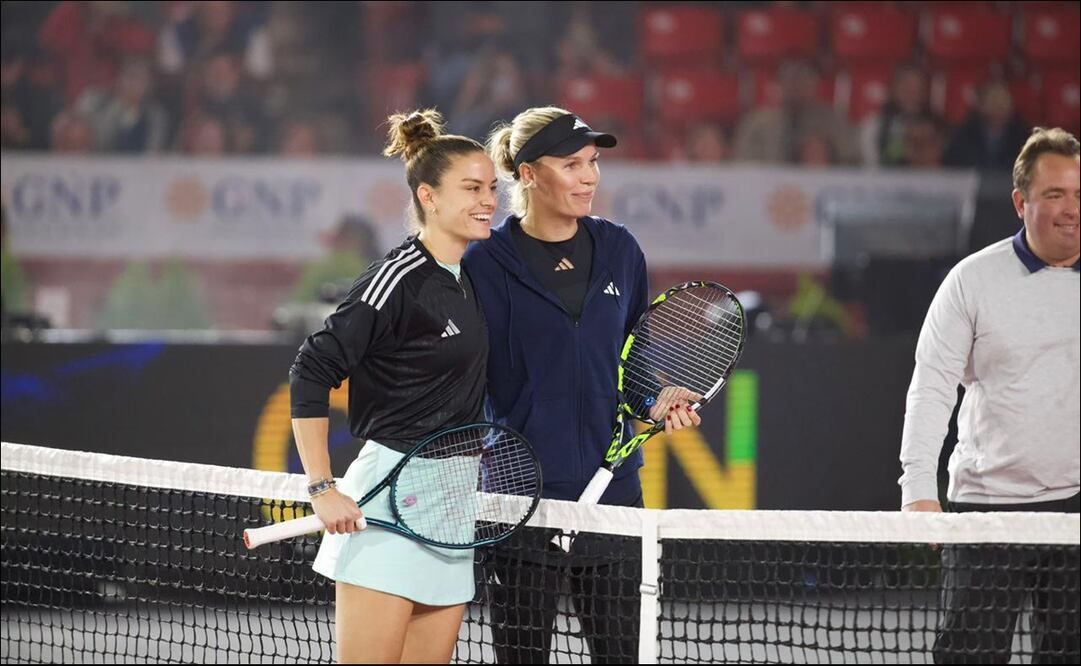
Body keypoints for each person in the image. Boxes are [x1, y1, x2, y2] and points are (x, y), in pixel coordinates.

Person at [463, 107, 701, 663]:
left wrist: (657, 400)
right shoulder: (483, 264)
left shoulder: (621, 250)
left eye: (593, 162)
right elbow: (469, 379)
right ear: (527, 174)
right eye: (571, 164)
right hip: (520, 503)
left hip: (614, 498)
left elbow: (634, 368)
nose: (590, 176)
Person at [289, 109, 497, 663]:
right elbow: (311, 369)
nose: (488, 200)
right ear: (428, 197)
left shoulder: (470, 277)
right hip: (390, 503)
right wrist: (320, 487)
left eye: (492, 188)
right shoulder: (397, 276)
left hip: (454, 506)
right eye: (471, 188)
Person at [899, 127, 1079, 663]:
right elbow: (930, 387)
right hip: (985, 512)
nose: (1071, 209)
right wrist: (918, 489)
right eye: (1055, 195)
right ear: (1021, 202)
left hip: (1075, 511)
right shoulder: (970, 282)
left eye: (1079, 194)